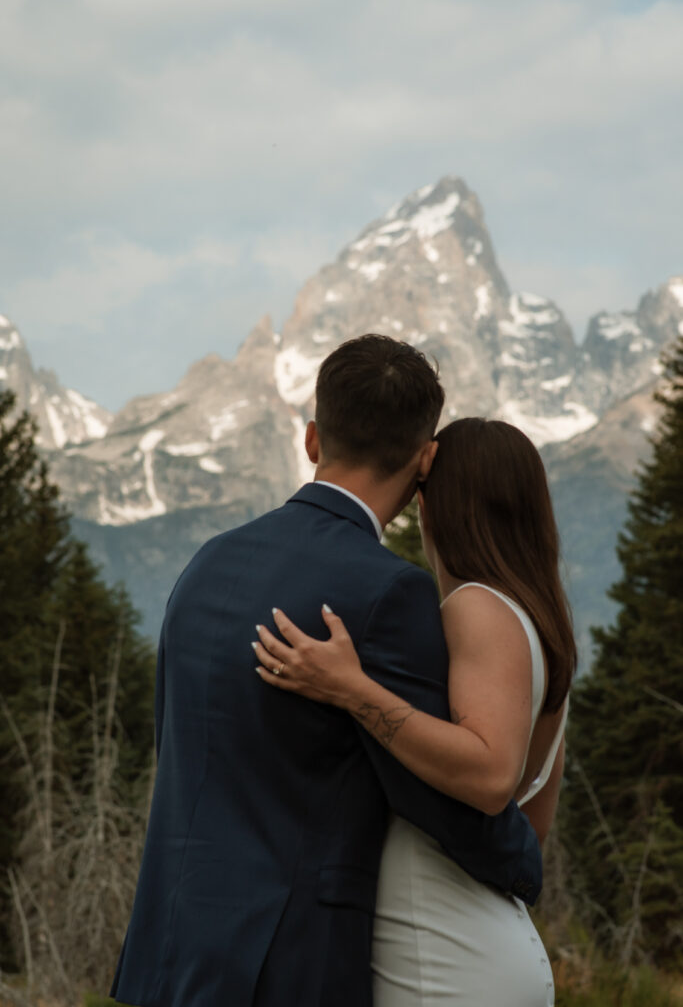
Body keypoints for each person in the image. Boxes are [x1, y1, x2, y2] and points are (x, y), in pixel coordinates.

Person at [110, 337, 541, 1007]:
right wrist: (524, 862)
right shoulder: (389, 594)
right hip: (286, 962)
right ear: (425, 460)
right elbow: (441, 798)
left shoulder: (205, 565)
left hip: (169, 950)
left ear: (312, 438)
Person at [253, 416, 575, 1006]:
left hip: (443, 959)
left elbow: (488, 776)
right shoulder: (540, 630)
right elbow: (529, 830)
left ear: (438, 504)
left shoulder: (475, 607)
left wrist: (352, 689)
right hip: (490, 946)